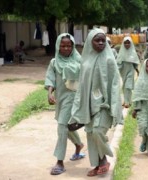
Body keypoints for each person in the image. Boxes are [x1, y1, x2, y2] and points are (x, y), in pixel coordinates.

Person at [69, 28, 122, 176]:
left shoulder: (109, 60)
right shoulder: (85, 61)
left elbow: (115, 85)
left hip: (104, 105)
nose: (100, 43)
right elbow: (82, 87)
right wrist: (79, 108)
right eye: (97, 40)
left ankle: (104, 159)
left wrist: (115, 106)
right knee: (91, 134)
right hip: (89, 105)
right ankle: (98, 165)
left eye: (102, 40)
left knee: (98, 131)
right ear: (90, 42)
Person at [44, 33, 85, 175]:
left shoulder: (80, 61)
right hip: (61, 99)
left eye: (69, 45)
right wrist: (50, 93)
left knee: (62, 127)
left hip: (75, 99)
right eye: (63, 45)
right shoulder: (54, 62)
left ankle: (59, 162)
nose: (66, 48)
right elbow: (50, 79)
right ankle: (79, 145)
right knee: (67, 127)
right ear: (58, 46)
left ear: (73, 46)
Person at [117, 36, 140, 108]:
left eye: (128, 43)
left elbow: (135, 63)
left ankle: (127, 102)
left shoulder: (133, 52)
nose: (127, 44)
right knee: (125, 86)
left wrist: (137, 70)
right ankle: (128, 100)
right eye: (125, 43)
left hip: (130, 71)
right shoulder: (121, 53)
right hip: (123, 71)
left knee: (128, 86)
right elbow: (119, 63)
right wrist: (117, 71)